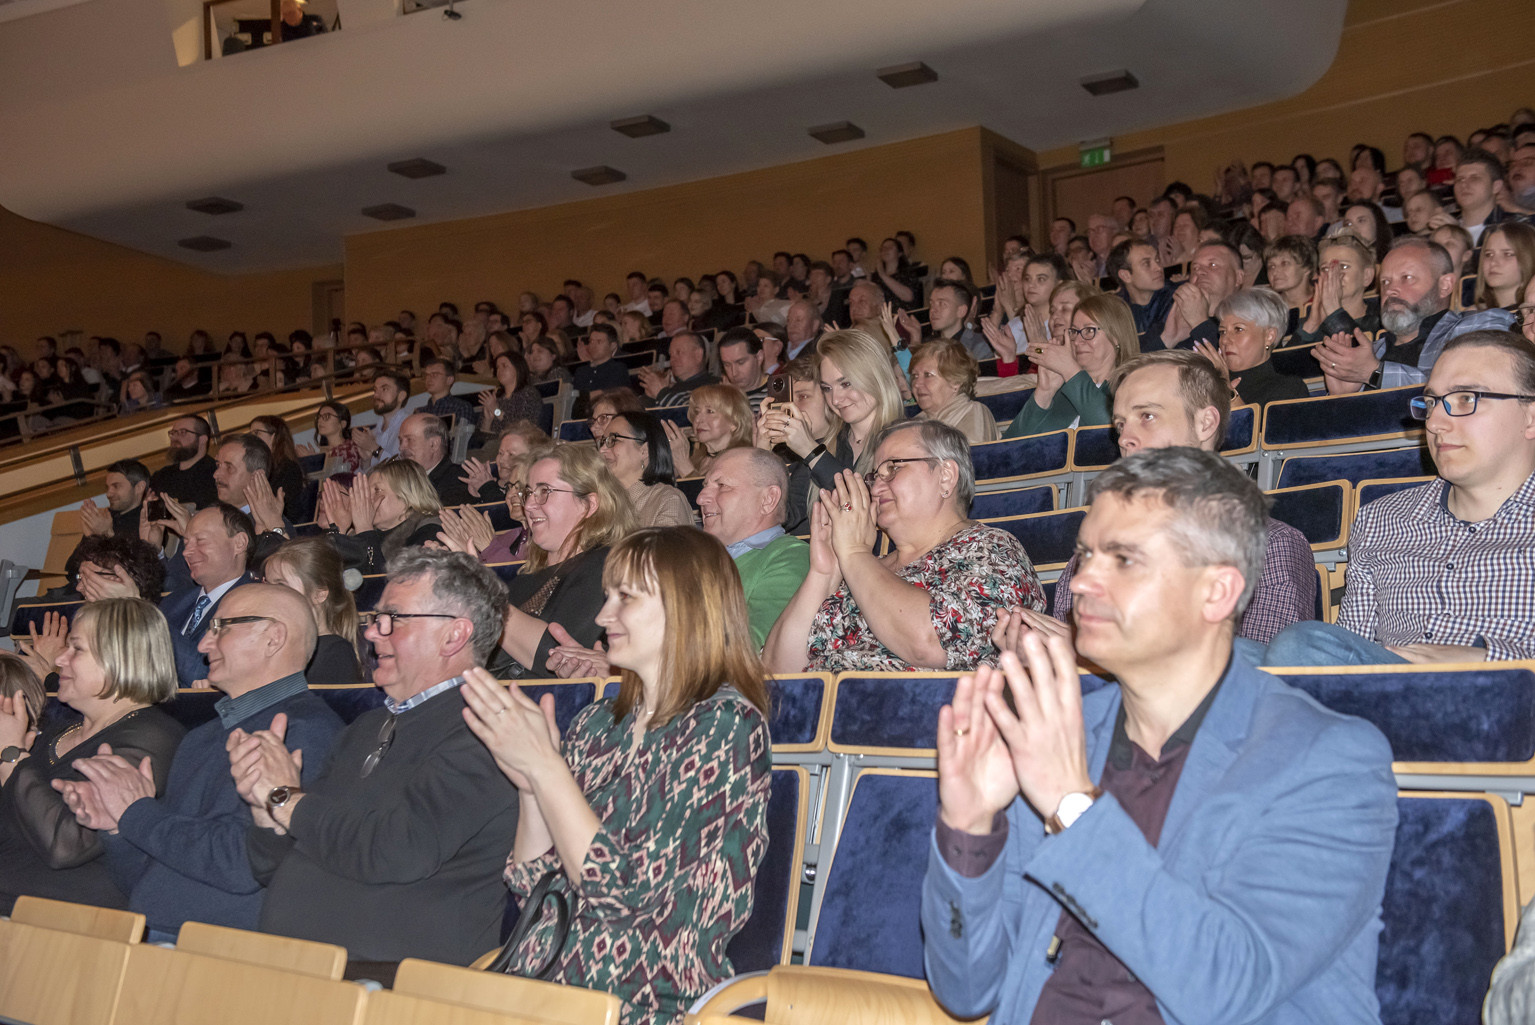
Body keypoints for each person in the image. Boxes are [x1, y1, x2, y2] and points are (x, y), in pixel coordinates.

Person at [922, 446, 1397, 1025]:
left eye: (1124, 560)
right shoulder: (1061, 737)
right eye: (1085, 555)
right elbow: (968, 990)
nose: (1081, 582)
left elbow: (1225, 989)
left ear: (1216, 592)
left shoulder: (1327, 761)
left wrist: (1072, 805)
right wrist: (969, 828)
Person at [461, 527, 771, 1024]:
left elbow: (622, 892)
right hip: (542, 981)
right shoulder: (596, 723)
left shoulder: (725, 726)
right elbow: (532, 885)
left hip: (643, 997)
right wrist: (530, 785)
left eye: (625, 597)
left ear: (686, 605)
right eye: (607, 597)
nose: (604, 616)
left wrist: (547, 768)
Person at [229, 550, 518, 970]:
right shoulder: (365, 727)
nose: (372, 633)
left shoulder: (489, 731)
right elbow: (273, 867)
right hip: (297, 967)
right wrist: (265, 810)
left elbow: (398, 849)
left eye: (393, 619)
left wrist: (285, 799)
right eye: (376, 619)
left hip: (391, 978)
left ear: (454, 635)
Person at [58, 586, 342, 942]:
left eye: (221, 627)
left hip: (219, 949)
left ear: (274, 637)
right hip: (152, 936)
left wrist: (136, 812)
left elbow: (242, 864)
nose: (205, 644)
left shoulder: (305, 731)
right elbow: (147, 885)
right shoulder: (200, 738)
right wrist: (116, 826)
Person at [1267, 330, 1535, 665]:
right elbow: (1350, 646)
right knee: (1238, 655)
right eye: (1432, 402)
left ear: (1530, 417)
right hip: (1383, 689)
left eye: (1466, 399)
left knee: (1299, 643)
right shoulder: (1381, 519)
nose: (1435, 423)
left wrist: (1487, 660)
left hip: (1508, 691)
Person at [1038, 349, 1315, 647]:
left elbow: (1262, 666)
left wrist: (1102, 653)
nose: (1124, 438)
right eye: (1120, 424)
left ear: (1205, 424)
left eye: (1147, 416)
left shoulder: (1269, 546)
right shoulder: (1091, 557)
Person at [764, 420, 1044, 673]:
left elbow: (930, 642)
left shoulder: (993, 549)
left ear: (946, 475)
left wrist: (855, 554)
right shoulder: (862, 567)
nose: (875, 489)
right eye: (875, 476)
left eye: (893, 468)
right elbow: (777, 670)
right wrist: (824, 573)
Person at [0, 598, 184, 914]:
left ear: (121, 657)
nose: (60, 659)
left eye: (76, 649)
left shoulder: (154, 736)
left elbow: (66, 844)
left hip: (66, 918)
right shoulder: (56, 732)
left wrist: (11, 757)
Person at [495, 446, 637, 678]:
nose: (528, 505)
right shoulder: (525, 577)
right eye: (528, 493)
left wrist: (483, 598)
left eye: (544, 491)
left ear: (589, 505)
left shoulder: (608, 565)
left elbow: (556, 653)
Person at [1313, 236, 1515, 392]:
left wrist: (1375, 373)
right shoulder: (1369, 354)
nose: (1391, 290)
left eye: (1407, 278)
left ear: (1445, 285)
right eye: (1385, 282)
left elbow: (1465, 391)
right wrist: (1344, 399)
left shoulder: (1481, 325)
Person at [760, 329, 905, 532]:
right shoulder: (829, 445)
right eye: (827, 388)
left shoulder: (905, 441)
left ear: (875, 377)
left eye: (845, 384)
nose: (835, 399)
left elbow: (864, 512)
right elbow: (783, 517)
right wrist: (762, 455)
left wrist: (811, 451)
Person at [697, 447, 811, 647]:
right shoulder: (694, 557)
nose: (701, 498)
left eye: (722, 486)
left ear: (768, 499)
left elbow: (752, 646)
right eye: (705, 486)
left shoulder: (790, 558)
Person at [1005, 291, 1135, 436]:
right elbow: (1009, 443)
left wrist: (1071, 371)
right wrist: (1044, 392)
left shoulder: (1133, 386)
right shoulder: (1065, 391)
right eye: (1074, 331)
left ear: (1116, 336)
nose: (1077, 341)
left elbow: (1113, 431)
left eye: (1089, 330)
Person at [160, 504, 256, 688]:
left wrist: (149, 618)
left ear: (239, 543)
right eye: (186, 543)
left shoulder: (256, 603)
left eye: (200, 541)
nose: (186, 552)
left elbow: (205, 674)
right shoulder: (172, 602)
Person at [263, 538, 364, 685]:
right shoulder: (276, 643)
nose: (268, 594)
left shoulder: (335, 653)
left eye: (281, 585)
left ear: (319, 594)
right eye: (267, 584)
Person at [319, 458, 443, 575]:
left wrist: (364, 528)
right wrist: (339, 531)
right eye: (367, 492)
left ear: (408, 496)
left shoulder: (431, 531)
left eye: (377, 490)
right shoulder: (362, 534)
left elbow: (381, 585)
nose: (368, 499)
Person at [1203, 287, 1312, 406]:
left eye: (1238, 329)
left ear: (1269, 336)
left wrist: (1227, 389)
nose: (1225, 340)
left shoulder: (1289, 389)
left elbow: (1253, 419)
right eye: (1222, 332)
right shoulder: (1205, 384)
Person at [598, 410, 694, 528]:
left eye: (613, 440)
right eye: (603, 442)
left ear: (644, 451)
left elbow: (666, 540)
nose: (602, 450)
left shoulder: (667, 500)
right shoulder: (600, 502)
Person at [1292, 232, 1381, 346]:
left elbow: (1362, 352)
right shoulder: (1308, 322)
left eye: (1344, 266)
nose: (1334, 275)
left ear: (1367, 276)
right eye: (1325, 269)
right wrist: (1311, 327)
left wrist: (1335, 312)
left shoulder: (1381, 319)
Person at [909, 338, 998, 443]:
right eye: (915, 376)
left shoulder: (974, 413)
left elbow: (972, 452)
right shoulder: (915, 422)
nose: (917, 384)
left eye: (928, 375)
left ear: (955, 382)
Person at [669, 384, 753, 479]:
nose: (698, 419)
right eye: (697, 412)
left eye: (710, 411)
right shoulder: (697, 456)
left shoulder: (743, 460)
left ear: (734, 422)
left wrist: (683, 466)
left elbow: (710, 489)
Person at [398, 412, 474, 506]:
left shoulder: (459, 479)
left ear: (434, 444)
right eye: (400, 440)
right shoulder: (397, 480)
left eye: (409, 440)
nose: (401, 447)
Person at [149, 415, 218, 511]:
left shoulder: (216, 474)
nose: (175, 438)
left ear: (202, 439)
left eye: (183, 432)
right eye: (173, 433)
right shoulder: (161, 476)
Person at [249, 416, 306, 523]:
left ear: (274, 437)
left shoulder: (288, 468)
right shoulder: (257, 467)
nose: (251, 438)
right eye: (250, 434)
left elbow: (288, 511)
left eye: (257, 433)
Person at [355, 372, 413, 469]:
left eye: (384, 389)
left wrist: (374, 448)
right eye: (375, 390)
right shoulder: (374, 432)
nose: (376, 395)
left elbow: (404, 469)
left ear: (401, 396)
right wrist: (366, 460)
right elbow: (368, 473)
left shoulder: (410, 428)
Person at [79, 459, 149, 539]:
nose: (108, 494)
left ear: (139, 487)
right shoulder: (107, 517)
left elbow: (138, 547)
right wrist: (89, 535)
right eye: (108, 487)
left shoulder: (149, 522)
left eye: (116, 486)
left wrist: (106, 533)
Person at [478, 350, 543, 435]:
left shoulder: (528, 394)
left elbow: (522, 429)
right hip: (494, 442)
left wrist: (496, 411)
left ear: (517, 368)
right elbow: (481, 437)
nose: (500, 370)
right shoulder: (495, 398)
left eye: (504, 366)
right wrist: (487, 421)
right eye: (498, 367)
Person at [1475, 222, 1535, 311]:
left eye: (1508, 254)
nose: (1493, 262)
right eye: (1488, 254)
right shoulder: (1470, 315)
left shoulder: (1531, 316)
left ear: (1529, 258)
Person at [301, 400, 363, 476]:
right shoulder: (325, 451)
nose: (320, 420)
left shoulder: (350, 449)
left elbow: (341, 477)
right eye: (319, 417)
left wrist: (314, 462)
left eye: (327, 416)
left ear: (342, 424)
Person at [717, 327, 770, 411]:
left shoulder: (778, 392)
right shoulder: (718, 397)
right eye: (727, 365)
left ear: (759, 357)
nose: (734, 373)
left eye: (740, 362)